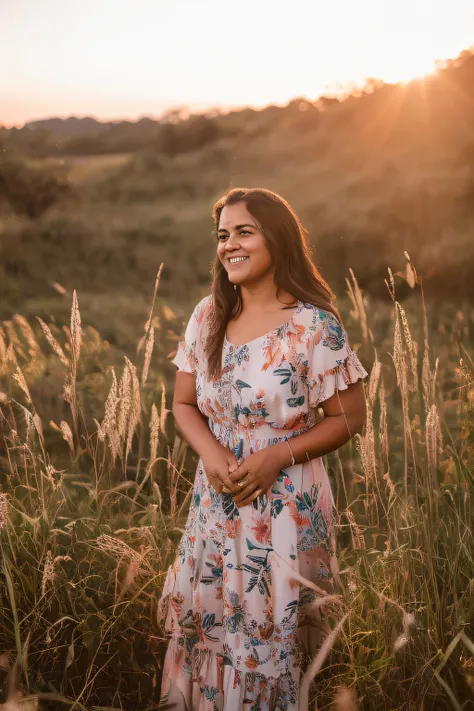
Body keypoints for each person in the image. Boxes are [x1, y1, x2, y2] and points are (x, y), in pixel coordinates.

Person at [158, 188, 369, 711]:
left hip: (286, 507)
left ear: (278, 237)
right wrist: (209, 453)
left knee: (274, 633)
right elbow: (184, 403)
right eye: (223, 235)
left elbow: (350, 417)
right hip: (218, 499)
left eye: (244, 231)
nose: (229, 244)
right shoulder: (207, 317)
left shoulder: (315, 326)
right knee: (214, 627)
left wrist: (278, 455)